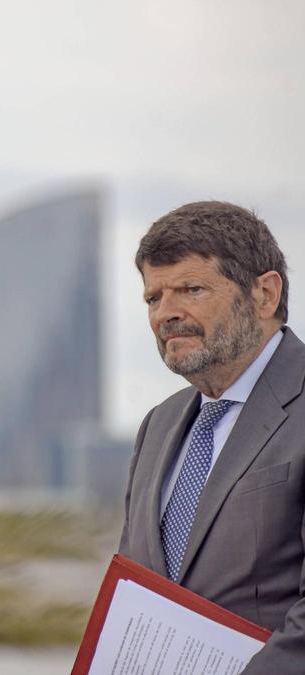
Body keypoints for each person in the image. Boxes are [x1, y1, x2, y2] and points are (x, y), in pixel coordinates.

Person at [118, 201, 305, 672]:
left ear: (264, 294)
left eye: (191, 289)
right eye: (153, 298)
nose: (166, 314)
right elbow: (136, 592)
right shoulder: (158, 425)